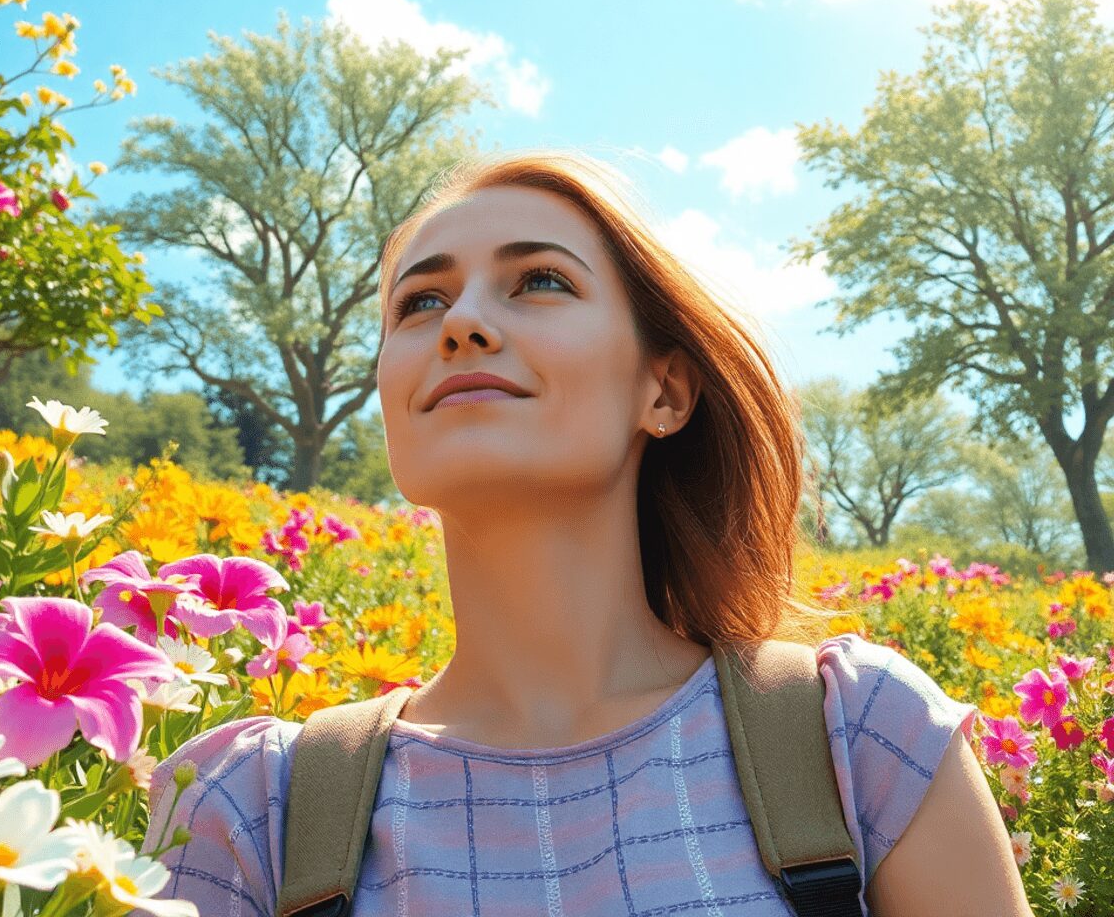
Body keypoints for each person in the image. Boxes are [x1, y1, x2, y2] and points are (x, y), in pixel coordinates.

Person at [145, 149, 1034, 915]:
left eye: (540, 280)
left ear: (666, 392)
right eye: (419, 303)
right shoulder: (255, 807)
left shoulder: (860, 738)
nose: (461, 323)